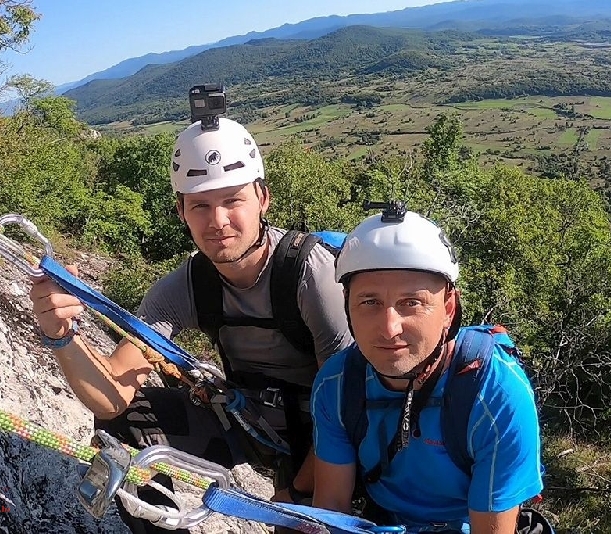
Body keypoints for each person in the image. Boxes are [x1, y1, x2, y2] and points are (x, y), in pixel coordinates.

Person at [29, 116, 353, 533]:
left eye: (233, 200)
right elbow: (112, 399)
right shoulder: (187, 286)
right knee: (125, 428)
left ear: (263, 199)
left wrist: (297, 492)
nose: (218, 220)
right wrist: (61, 334)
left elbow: (347, 409)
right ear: (181, 211)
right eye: (200, 205)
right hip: (253, 425)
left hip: (331, 441)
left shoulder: (312, 276)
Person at [310, 205, 544, 534]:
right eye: (369, 302)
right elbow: (332, 509)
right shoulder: (337, 384)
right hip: (383, 520)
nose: (389, 328)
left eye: (412, 303)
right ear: (347, 307)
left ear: (448, 308)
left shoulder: (494, 395)